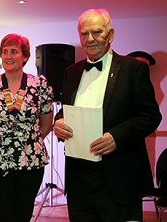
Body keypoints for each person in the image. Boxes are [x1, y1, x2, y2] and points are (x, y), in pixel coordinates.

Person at [53, 9, 162, 222]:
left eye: (97, 32)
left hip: (118, 177)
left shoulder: (134, 69)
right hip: (78, 180)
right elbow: (65, 110)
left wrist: (116, 137)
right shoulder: (71, 72)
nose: (90, 39)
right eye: (84, 34)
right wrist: (59, 122)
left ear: (110, 35)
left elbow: (150, 116)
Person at [0, 33, 54, 222]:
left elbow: (46, 124)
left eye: (14, 51)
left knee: (23, 214)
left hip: (31, 162)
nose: (8, 56)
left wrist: (28, 142)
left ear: (25, 56)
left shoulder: (40, 85)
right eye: (5, 52)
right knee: (1, 215)